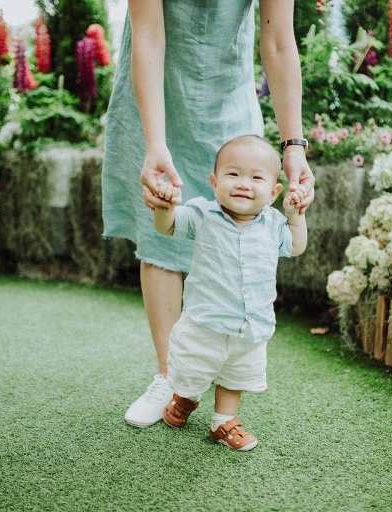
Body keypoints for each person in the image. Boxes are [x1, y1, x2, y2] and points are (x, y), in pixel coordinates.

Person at [101, 0, 315, 428]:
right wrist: (155, 144)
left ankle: (222, 375)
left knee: (234, 228)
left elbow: (277, 40)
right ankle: (170, 377)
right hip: (154, 103)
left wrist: (294, 146)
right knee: (160, 227)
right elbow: (148, 35)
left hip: (227, 97)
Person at [152, 134, 307, 451]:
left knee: (235, 375)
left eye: (256, 178)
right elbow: (166, 227)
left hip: (250, 326)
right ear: (214, 181)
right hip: (205, 323)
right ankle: (185, 396)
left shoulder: (274, 224)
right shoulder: (202, 215)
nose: (244, 184)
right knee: (192, 369)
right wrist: (165, 208)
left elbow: (296, 246)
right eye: (233, 174)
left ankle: (223, 421)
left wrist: (296, 216)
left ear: (274, 191)